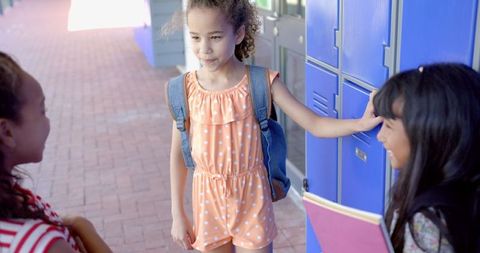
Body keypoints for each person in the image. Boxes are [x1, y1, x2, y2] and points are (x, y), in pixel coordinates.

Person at [168, 1, 382, 252]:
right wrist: (177, 214)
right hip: (207, 199)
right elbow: (177, 156)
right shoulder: (184, 89)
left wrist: (360, 124)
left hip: (252, 199)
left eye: (215, 37)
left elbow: (314, 124)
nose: (204, 48)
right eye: (195, 37)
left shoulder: (261, 82)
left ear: (238, 33)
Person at [0, 52, 112, 253]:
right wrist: (83, 227)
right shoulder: (40, 243)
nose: (48, 122)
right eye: (42, 110)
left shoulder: (14, 199)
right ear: (6, 131)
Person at [374, 63, 480, 252]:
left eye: (389, 126)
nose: (380, 136)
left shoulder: (428, 222)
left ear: (430, 134)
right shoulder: (466, 192)